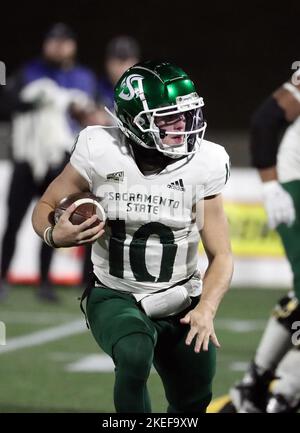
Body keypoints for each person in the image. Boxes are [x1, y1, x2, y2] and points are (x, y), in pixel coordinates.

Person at [32, 60, 233, 413]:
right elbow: (47, 203)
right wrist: (52, 233)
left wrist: (207, 308)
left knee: (193, 401)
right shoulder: (99, 148)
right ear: (134, 121)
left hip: (181, 298)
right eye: (168, 118)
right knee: (133, 352)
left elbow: (222, 256)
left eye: (184, 115)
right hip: (115, 293)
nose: (181, 126)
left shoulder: (207, 162)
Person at [0, 23, 97, 302]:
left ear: (73, 45)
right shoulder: (30, 72)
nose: (58, 46)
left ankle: (44, 281)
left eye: (64, 41)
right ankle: (3, 276)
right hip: (28, 160)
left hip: (61, 160)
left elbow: (91, 114)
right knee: (14, 221)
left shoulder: (83, 77)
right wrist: (36, 103)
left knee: (54, 217)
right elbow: (7, 103)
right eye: (53, 41)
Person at [228, 66, 300, 412]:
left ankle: (255, 383)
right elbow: (265, 120)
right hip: (295, 183)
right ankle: (284, 394)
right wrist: (271, 187)